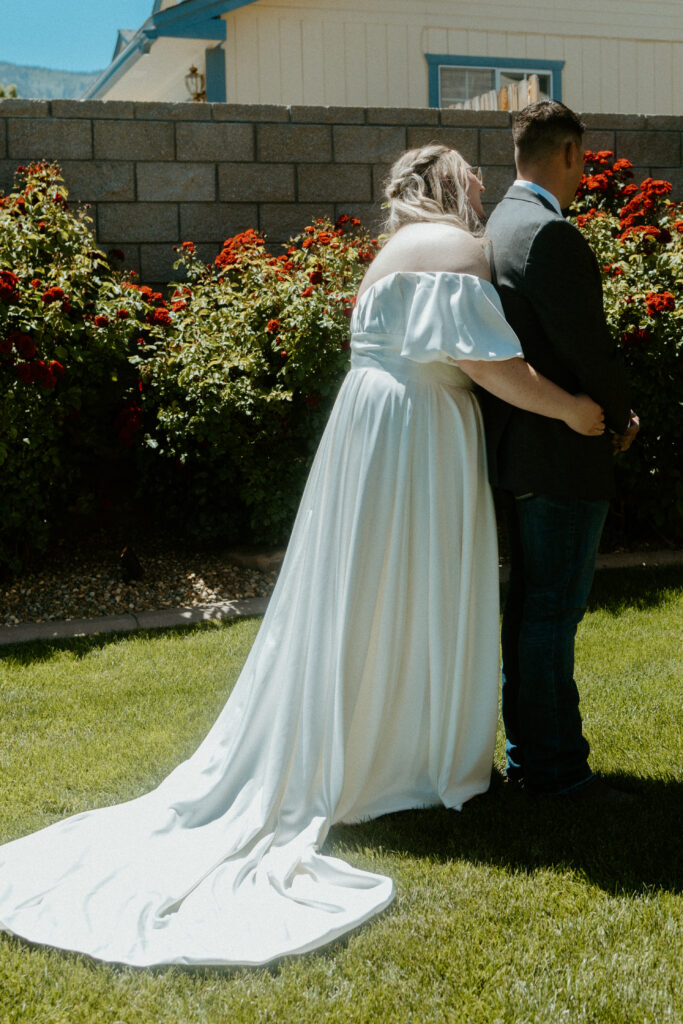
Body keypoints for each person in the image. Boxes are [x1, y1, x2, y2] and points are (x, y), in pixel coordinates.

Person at [0, 145, 605, 968]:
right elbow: (485, 364)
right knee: (413, 587)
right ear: (452, 189)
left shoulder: (389, 254)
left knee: (364, 593)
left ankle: (372, 735)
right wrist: (572, 410)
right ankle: (410, 758)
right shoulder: (456, 251)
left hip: (369, 432)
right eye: (473, 182)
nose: (481, 196)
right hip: (416, 437)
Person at [483, 102, 639, 801]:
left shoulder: (496, 227)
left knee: (530, 610)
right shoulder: (548, 234)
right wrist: (624, 415)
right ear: (571, 152)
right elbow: (586, 347)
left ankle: (533, 757)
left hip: (522, 448)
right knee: (551, 612)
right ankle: (552, 770)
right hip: (561, 448)